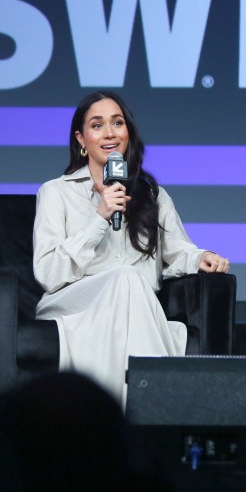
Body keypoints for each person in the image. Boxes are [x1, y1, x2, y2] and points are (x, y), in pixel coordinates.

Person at [33, 91, 230, 403]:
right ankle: (159, 413)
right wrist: (100, 217)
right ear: (81, 139)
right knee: (126, 278)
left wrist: (202, 257)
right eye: (97, 126)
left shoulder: (153, 195)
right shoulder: (56, 193)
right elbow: (48, 272)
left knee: (128, 283)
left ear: (129, 133)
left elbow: (178, 252)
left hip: (135, 307)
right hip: (74, 301)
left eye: (117, 123)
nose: (110, 133)